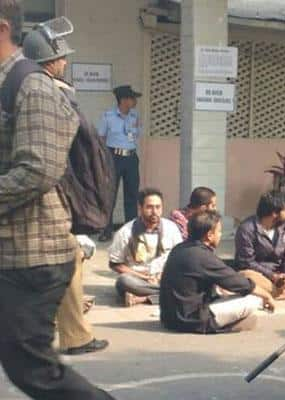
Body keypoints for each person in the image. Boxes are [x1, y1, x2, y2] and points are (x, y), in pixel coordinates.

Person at [0, 4, 113, 398]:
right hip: (13, 248)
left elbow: (37, 170)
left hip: (33, 254)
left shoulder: (32, 87)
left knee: (29, 365)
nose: (63, 61)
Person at [22, 26, 110, 356]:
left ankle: (74, 333)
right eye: (60, 56)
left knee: (67, 256)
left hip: (40, 190)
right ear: (51, 60)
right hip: (41, 192)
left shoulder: (30, 87)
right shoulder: (48, 93)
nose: (64, 61)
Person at [160, 210, 275, 334]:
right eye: (219, 231)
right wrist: (267, 296)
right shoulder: (202, 256)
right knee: (253, 299)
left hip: (169, 318)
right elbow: (237, 282)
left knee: (230, 295)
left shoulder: (179, 249)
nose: (220, 235)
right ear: (209, 235)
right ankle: (229, 325)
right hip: (192, 320)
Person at [108, 188, 182, 306]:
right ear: (140, 208)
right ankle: (172, 295)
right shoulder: (125, 232)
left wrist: (161, 274)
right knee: (123, 281)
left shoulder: (171, 228)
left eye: (158, 207)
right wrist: (144, 277)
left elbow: (179, 257)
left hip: (165, 276)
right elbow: (115, 264)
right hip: (139, 279)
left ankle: (143, 298)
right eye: (149, 207)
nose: (154, 212)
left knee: (188, 278)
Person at [97, 84, 143, 242]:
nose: (135, 101)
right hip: (113, 157)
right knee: (110, 195)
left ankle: (131, 230)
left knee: (132, 195)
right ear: (123, 100)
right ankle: (106, 230)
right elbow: (101, 138)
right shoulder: (108, 116)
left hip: (130, 158)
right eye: (132, 98)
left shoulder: (135, 116)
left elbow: (136, 136)